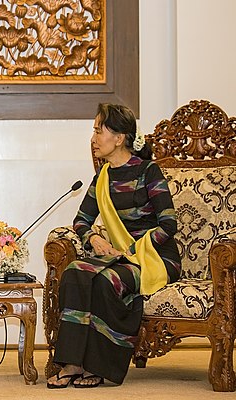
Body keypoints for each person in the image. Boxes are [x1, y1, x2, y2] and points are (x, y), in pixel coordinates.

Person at [47, 103, 181, 389]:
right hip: (118, 258)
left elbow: (169, 225)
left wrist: (131, 252)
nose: (93, 138)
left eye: (98, 130)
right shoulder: (103, 177)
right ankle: (72, 362)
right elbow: (81, 221)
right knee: (74, 272)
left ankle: (98, 367)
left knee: (106, 281)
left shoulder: (148, 172)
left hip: (155, 258)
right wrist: (93, 238)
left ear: (119, 138)